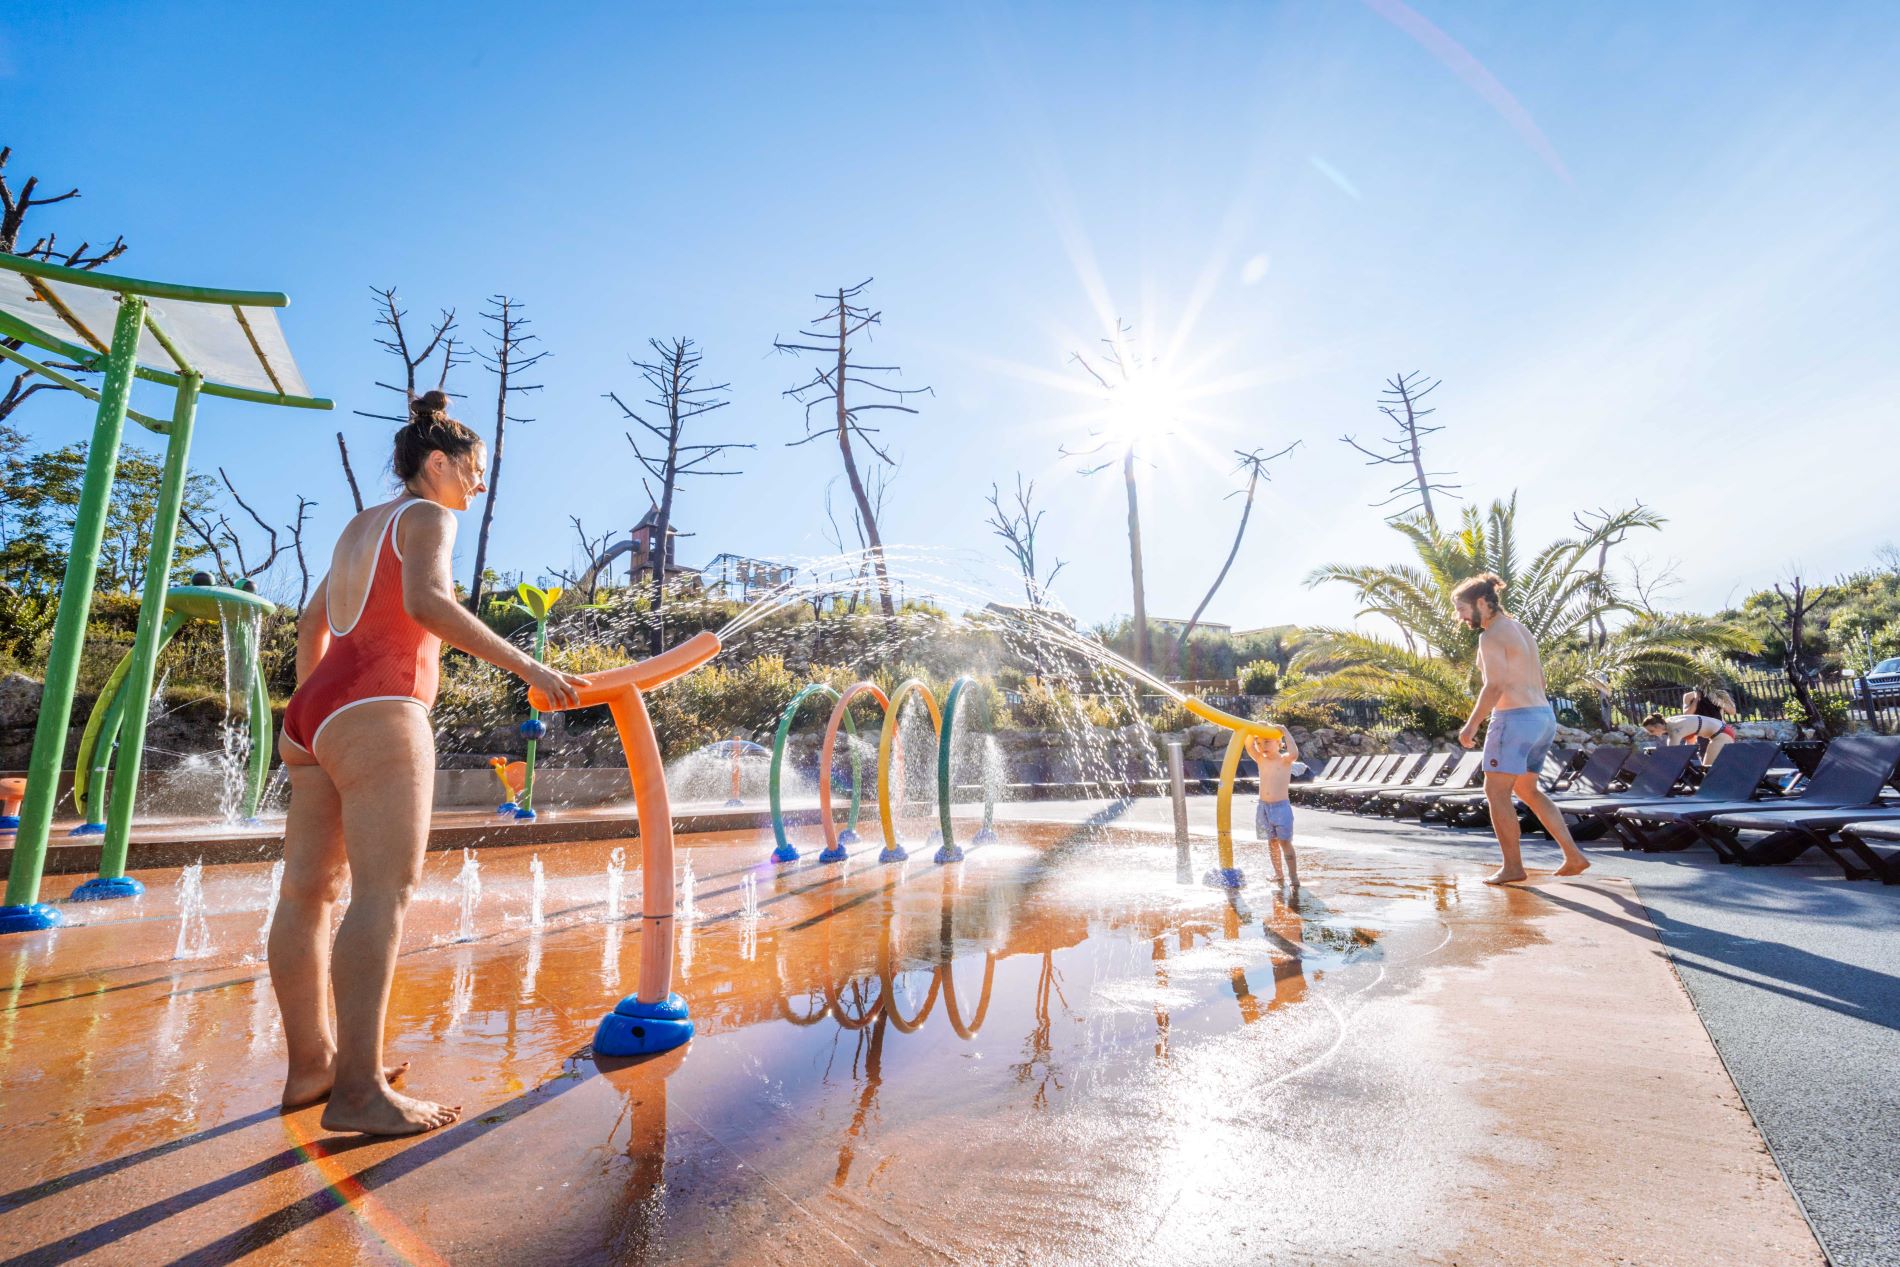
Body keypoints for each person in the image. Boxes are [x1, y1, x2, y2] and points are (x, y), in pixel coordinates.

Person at [269, 392, 587, 1137]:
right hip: (380, 706)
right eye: (474, 471)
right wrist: (527, 666)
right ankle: (357, 1090)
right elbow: (428, 601)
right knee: (384, 893)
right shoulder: (427, 518)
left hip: (313, 713)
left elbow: (314, 623)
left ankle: (311, 1064)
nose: (478, 487)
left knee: (306, 894)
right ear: (436, 463)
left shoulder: (359, 526)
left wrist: (314, 710)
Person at [1452, 572, 1592, 884]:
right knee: (1527, 789)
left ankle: (1513, 867)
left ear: (1480, 602)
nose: (1459, 616)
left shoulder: (1490, 636)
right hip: (1543, 717)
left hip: (1514, 720)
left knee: (1495, 791)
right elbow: (1540, 679)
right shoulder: (1519, 628)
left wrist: (1471, 725)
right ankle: (1573, 855)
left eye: (1461, 608)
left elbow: (1495, 684)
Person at [1247, 729, 1301, 888]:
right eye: (1259, 743)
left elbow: (1294, 753)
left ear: (1279, 743)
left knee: (1285, 842)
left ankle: (1293, 876)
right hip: (1264, 807)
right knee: (1271, 842)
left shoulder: (1285, 760)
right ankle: (1278, 873)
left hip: (1281, 807)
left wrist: (1284, 730)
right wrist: (1253, 727)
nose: (1261, 746)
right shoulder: (1261, 759)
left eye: (1267, 742)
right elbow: (1248, 745)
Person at [1643, 711, 1737, 766]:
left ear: (1658, 725)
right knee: (1708, 768)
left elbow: (1671, 753)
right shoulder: (1670, 721)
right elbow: (1691, 738)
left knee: (1708, 769)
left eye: (1652, 731)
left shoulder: (1675, 730)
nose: (1653, 734)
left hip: (1722, 734)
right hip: (1723, 730)